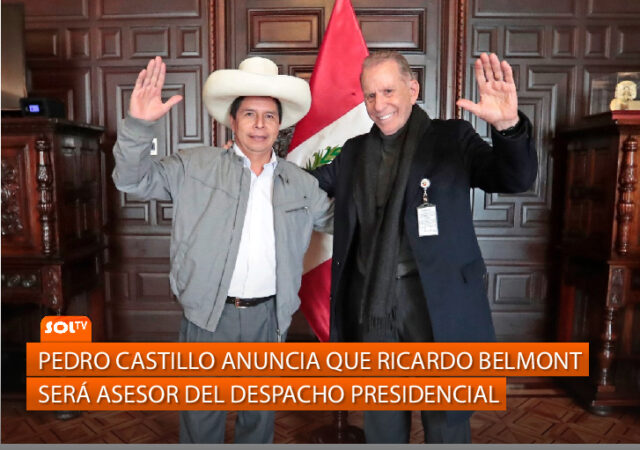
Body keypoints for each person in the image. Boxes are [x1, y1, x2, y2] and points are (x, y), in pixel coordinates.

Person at [311, 51, 538, 443]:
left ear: (412, 89)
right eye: (370, 95)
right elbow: (303, 184)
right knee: (382, 418)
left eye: (388, 91)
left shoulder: (452, 139)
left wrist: (508, 127)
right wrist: (255, 161)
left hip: (436, 300)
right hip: (374, 302)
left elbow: (513, 178)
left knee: (445, 420)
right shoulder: (353, 151)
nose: (379, 104)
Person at [112, 56, 333, 443]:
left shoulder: (300, 184)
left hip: (269, 318)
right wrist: (139, 126)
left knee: (258, 420)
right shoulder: (194, 166)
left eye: (269, 115)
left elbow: (340, 221)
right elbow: (131, 179)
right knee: (201, 419)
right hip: (208, 317)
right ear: (233, 120)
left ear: (279, 125)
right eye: (249, 114)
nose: (259, 124)